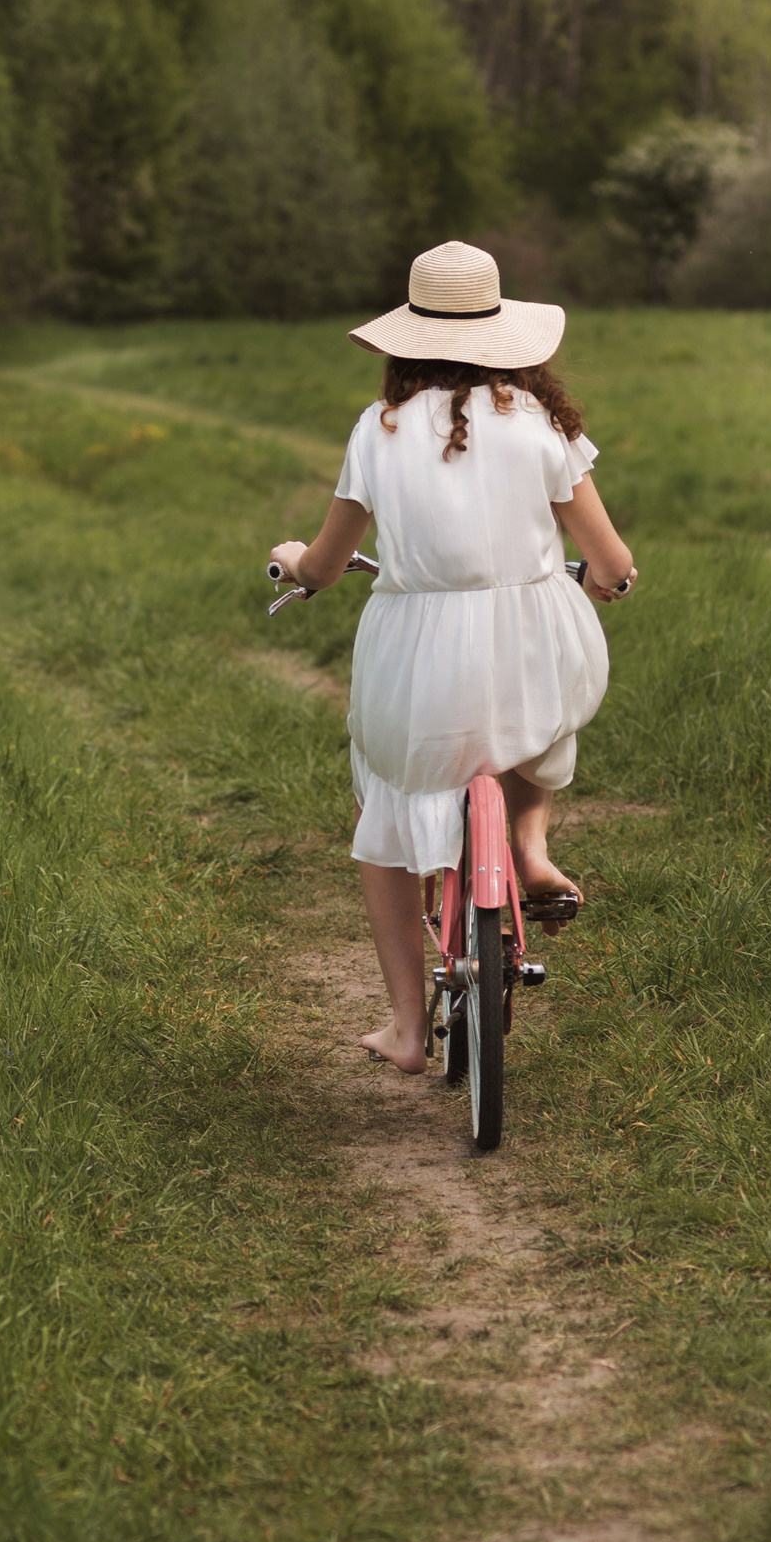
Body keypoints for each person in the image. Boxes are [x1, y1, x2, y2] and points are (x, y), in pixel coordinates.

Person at [270, 239, 636, 1073]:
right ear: (503, 336)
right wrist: (610, 584)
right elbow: (609, 560)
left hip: (417, 652)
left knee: (385, 816)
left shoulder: (380, 429)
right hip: (534, 637)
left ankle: (406, 1025)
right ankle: (531, 847)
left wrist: (296, 563)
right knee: (536, 724)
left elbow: (327, 563)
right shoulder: (543, 426)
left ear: (405, 341)